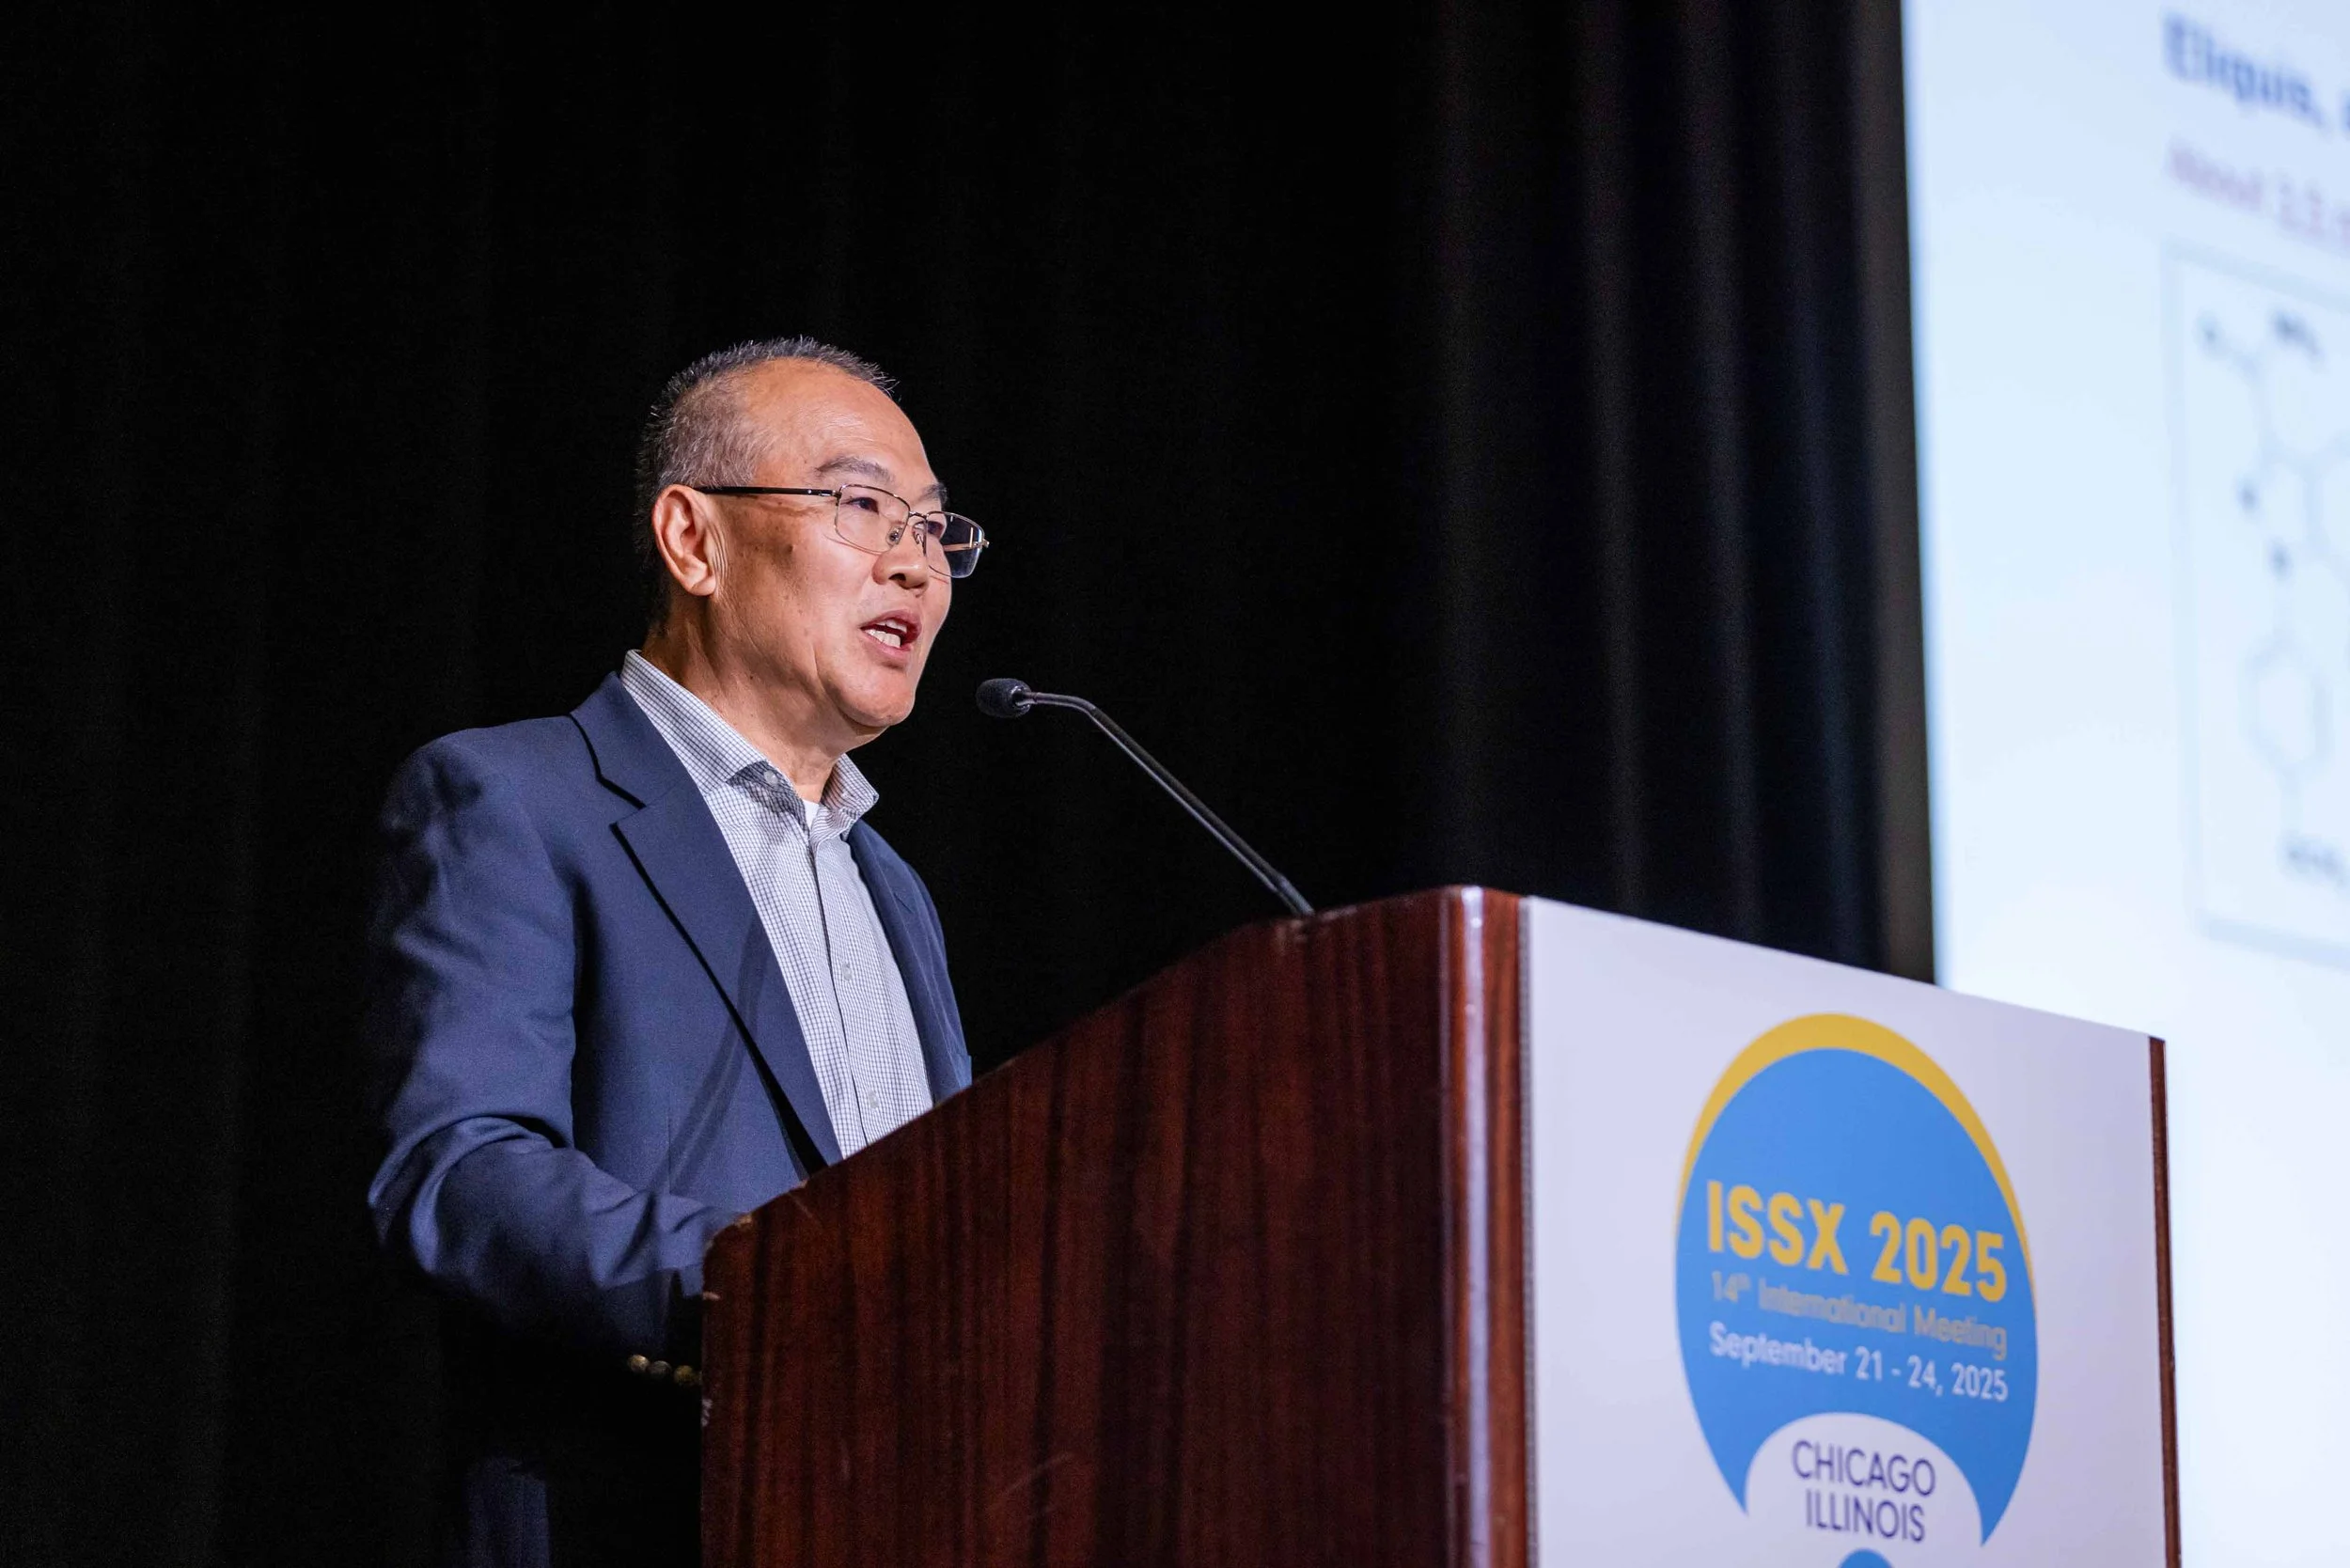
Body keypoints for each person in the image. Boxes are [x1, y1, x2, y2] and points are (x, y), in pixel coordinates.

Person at [362, 338, 986, 1568]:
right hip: (647, 1514)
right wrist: (770, 1291)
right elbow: (459, 1171)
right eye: (863, 504)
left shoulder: (893, 886)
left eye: (933, 525)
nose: (915, 560)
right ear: (694, 541)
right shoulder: (513, 798)